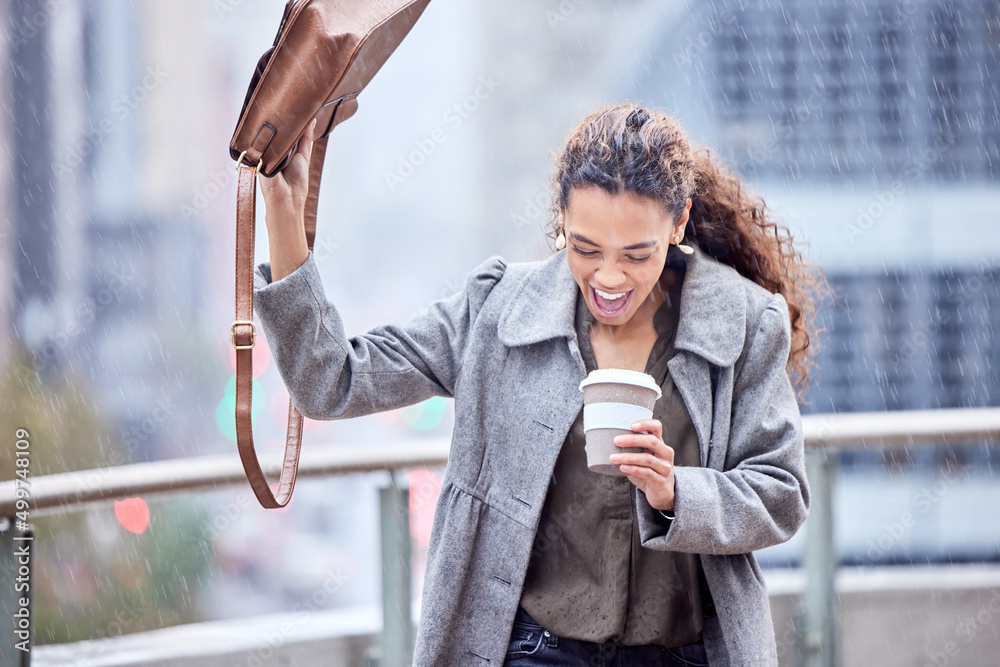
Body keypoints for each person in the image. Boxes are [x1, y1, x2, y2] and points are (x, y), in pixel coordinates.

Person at [253, 103, 824, 666]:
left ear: (678, 225)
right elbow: (331, 381)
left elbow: (782, 494)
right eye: (585, 248)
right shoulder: (496, 310)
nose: (608, 277)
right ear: (561, 222)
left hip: (688, 653)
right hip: (533, 651)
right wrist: (283, 213)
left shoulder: (746, 323)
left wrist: (676, 492)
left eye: (636, 255)